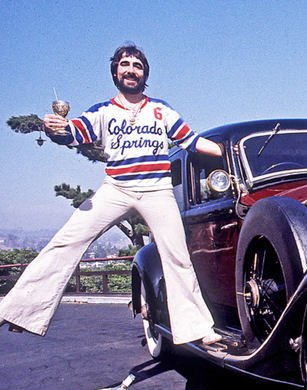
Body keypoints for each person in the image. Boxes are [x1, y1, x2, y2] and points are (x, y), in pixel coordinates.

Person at [0, 44, 221, 346]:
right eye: (125, 64)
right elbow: (73, 132)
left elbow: (192, 142)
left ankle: (196, 329)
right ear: (115, 71)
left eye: (138, 65)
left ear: (145, 74)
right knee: (67, 240)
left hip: (157, 190)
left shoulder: (161, 110)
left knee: (177, 256)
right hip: (116, 188)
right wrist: (55, 130)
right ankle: (14, 310)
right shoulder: (102, 111)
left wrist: (228, 151)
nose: (131, 69)